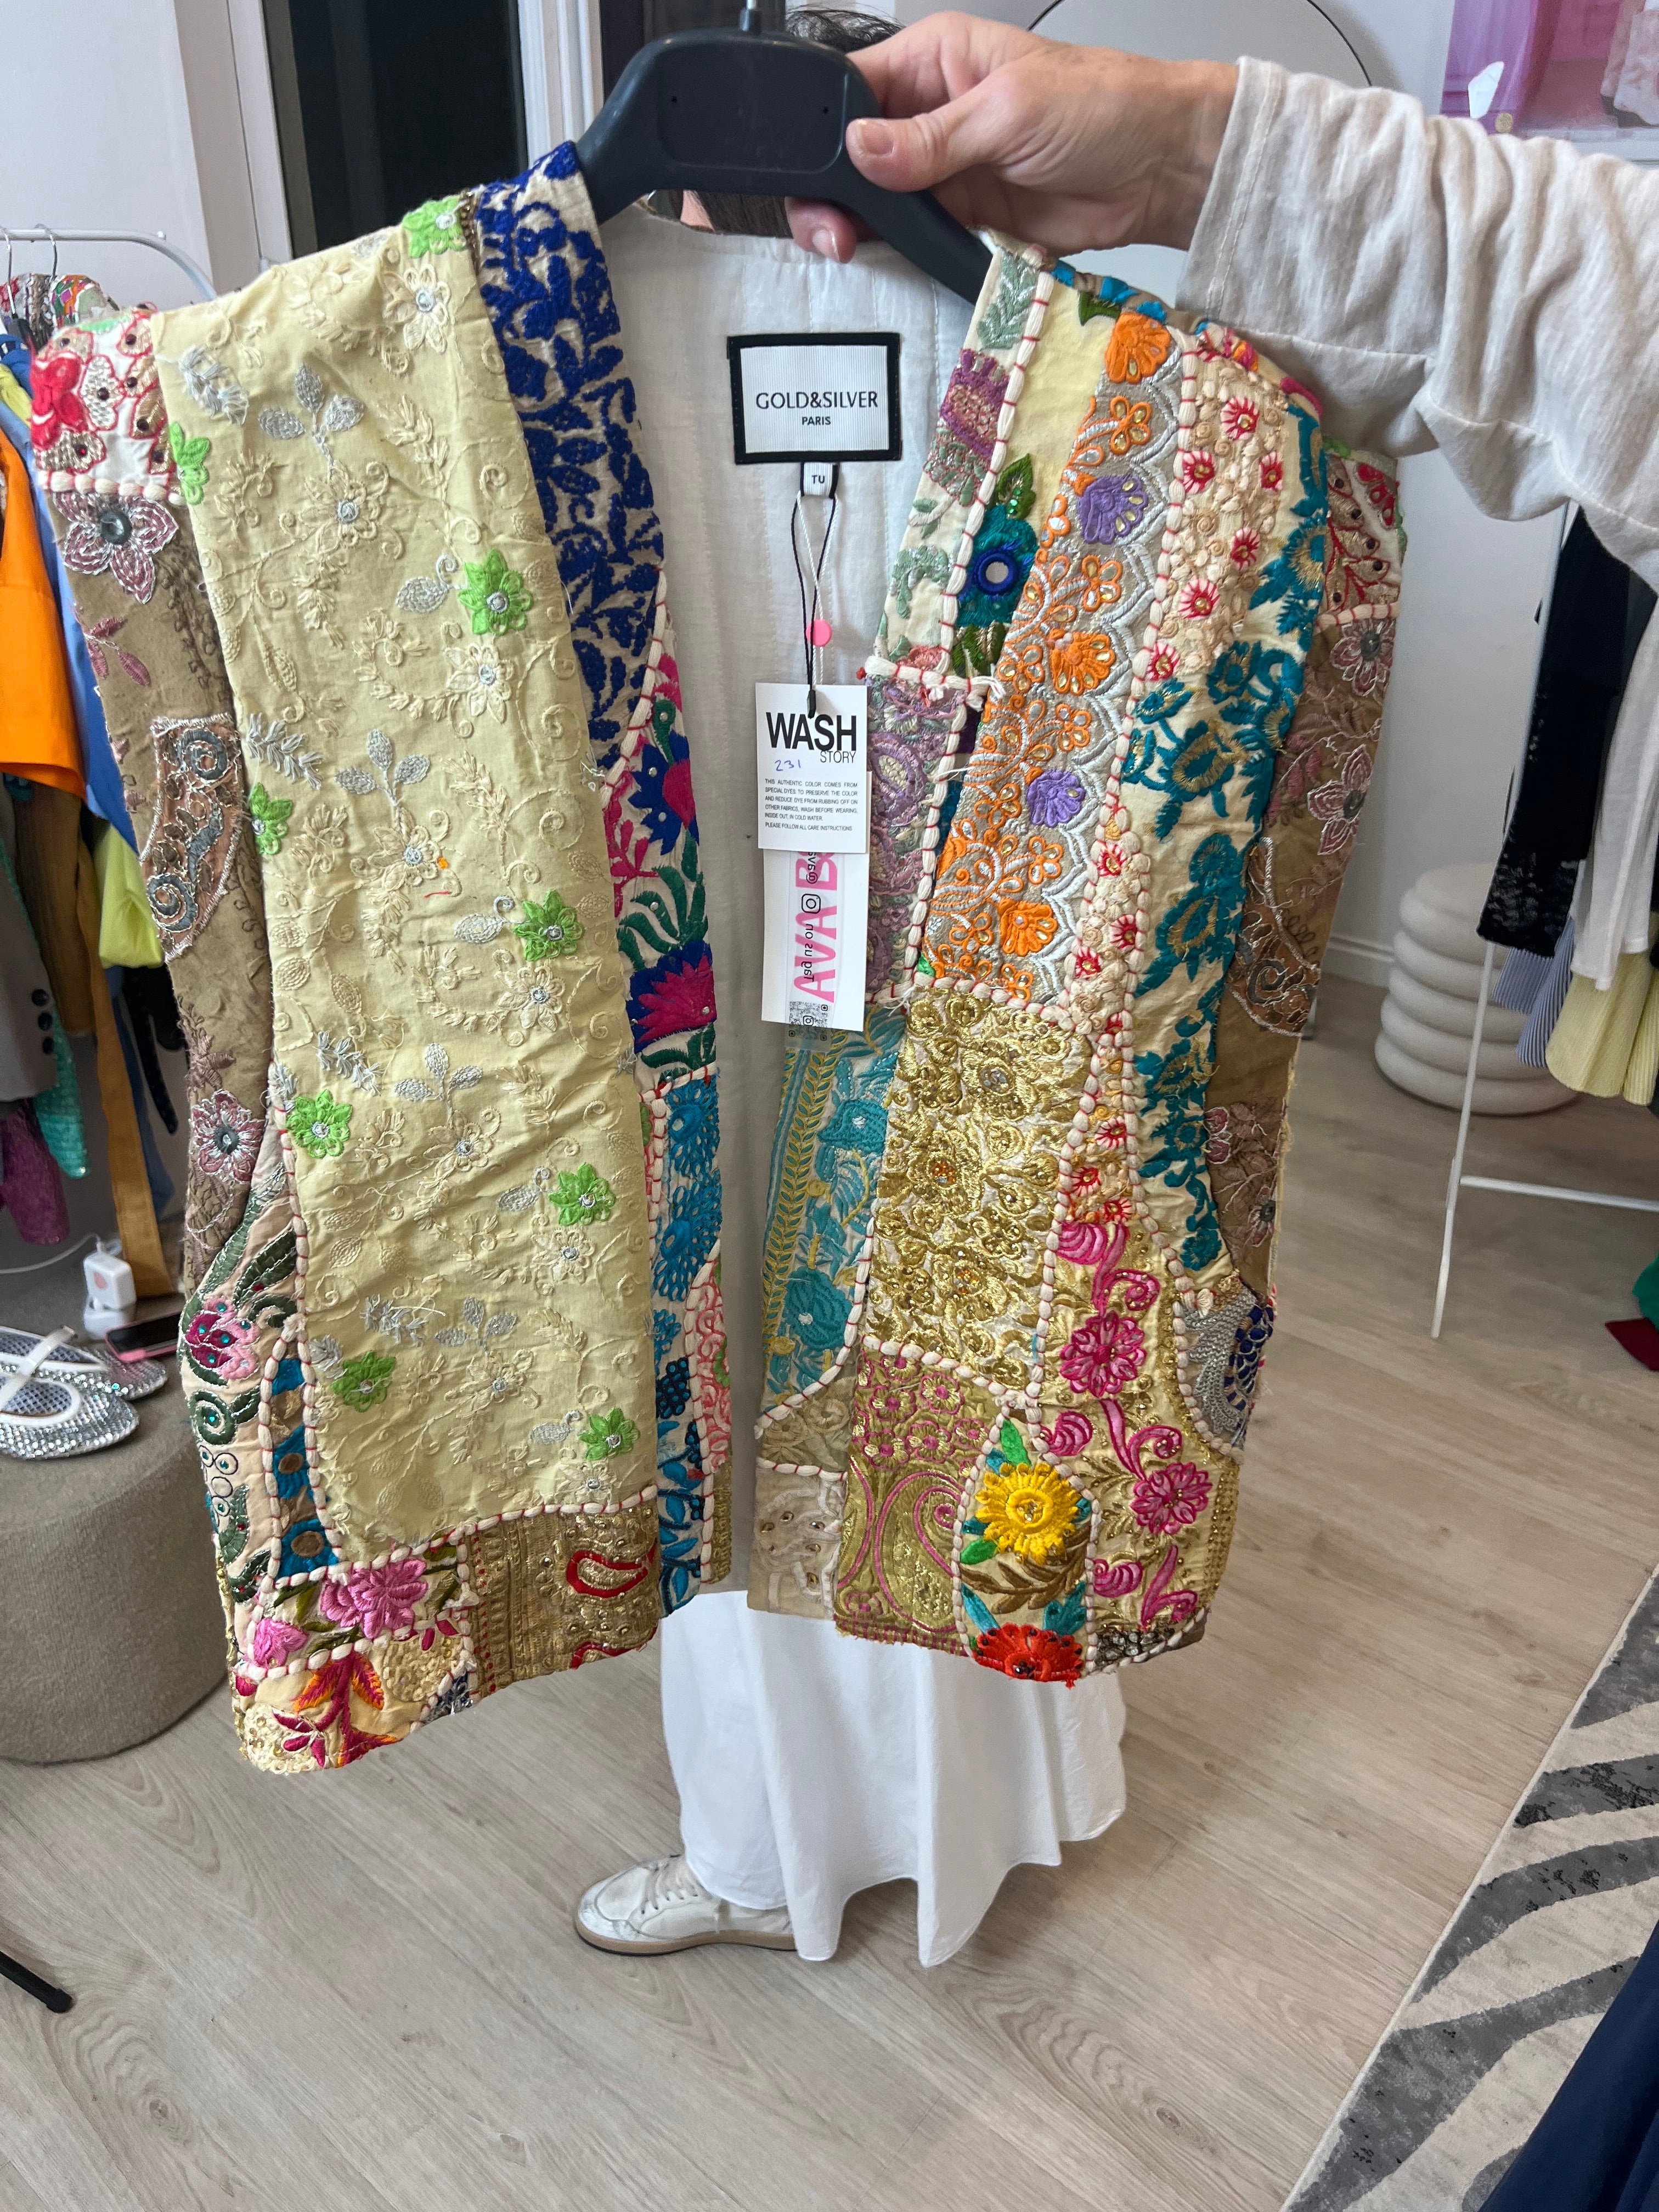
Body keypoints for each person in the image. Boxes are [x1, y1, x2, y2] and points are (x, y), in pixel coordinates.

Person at [577, 12, 1659, 1962]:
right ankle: (776, 1839)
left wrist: (1186, 153)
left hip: (985, 1115)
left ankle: (934, 1805)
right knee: (740, 1364)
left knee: (973, 1365)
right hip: (686, 1051)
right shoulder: (447, 378)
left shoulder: (1168, 422)